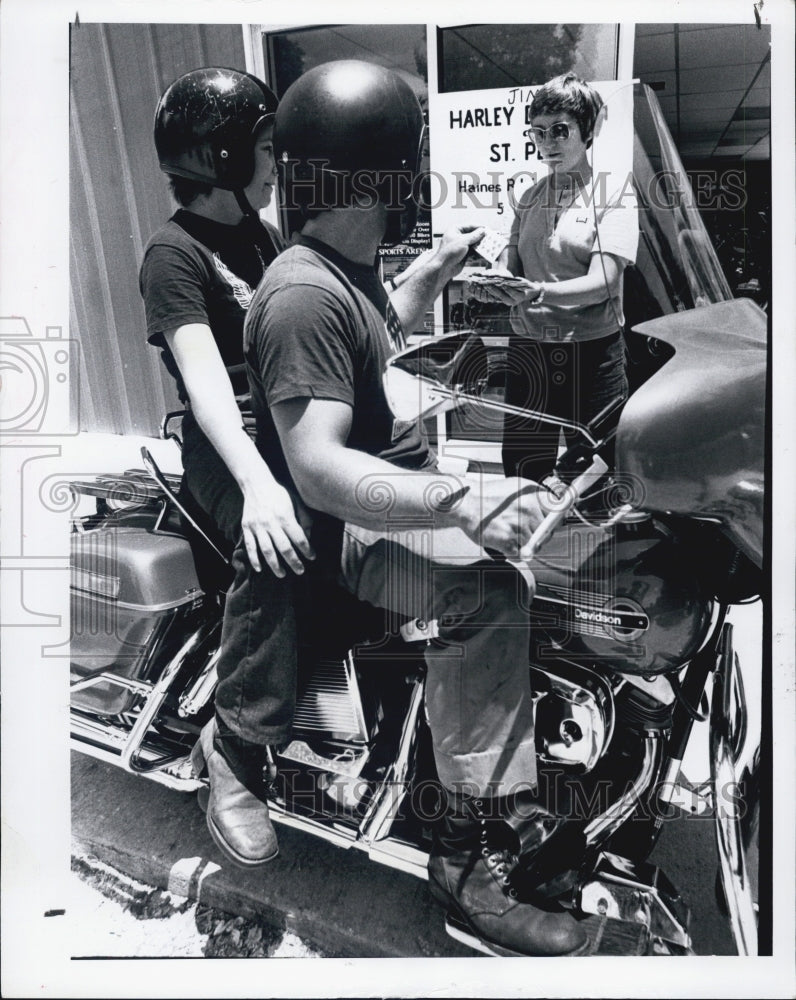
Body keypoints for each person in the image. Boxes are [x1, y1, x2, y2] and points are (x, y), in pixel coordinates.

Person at [239, 59, 588, 958]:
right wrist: (460, 500)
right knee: (492, 598)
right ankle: (466, 863)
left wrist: (430, 275)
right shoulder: (304, 293)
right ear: (384, 175)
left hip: (396, 499)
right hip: (354, 532)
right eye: (412, 160)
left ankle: (529, 779)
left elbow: (373, 345)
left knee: (569, 544)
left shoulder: (341, 272)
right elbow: (317, 465)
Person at [139, 68, 312, 869]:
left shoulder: (264, 240)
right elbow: (208, 387)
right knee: (278, 542)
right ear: (221, 154)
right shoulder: (173, 254)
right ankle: (236, 747)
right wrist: (258, 486)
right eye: (267, 148)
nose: (277, 164)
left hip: (285, 422)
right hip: (225, 442)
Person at [471, 72, 639, 485]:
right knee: (525, 468)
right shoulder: (528, 197)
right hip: (531, 350)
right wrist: (493, 283)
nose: (548, 142)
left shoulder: (614, 194)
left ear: (586, 133)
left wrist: (539, 291)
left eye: (560, 130)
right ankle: (522, 547)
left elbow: (604, 282)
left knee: (598, 469)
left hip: (592, 355)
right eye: (538, 132)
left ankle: (600, 546)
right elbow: (513, 270)